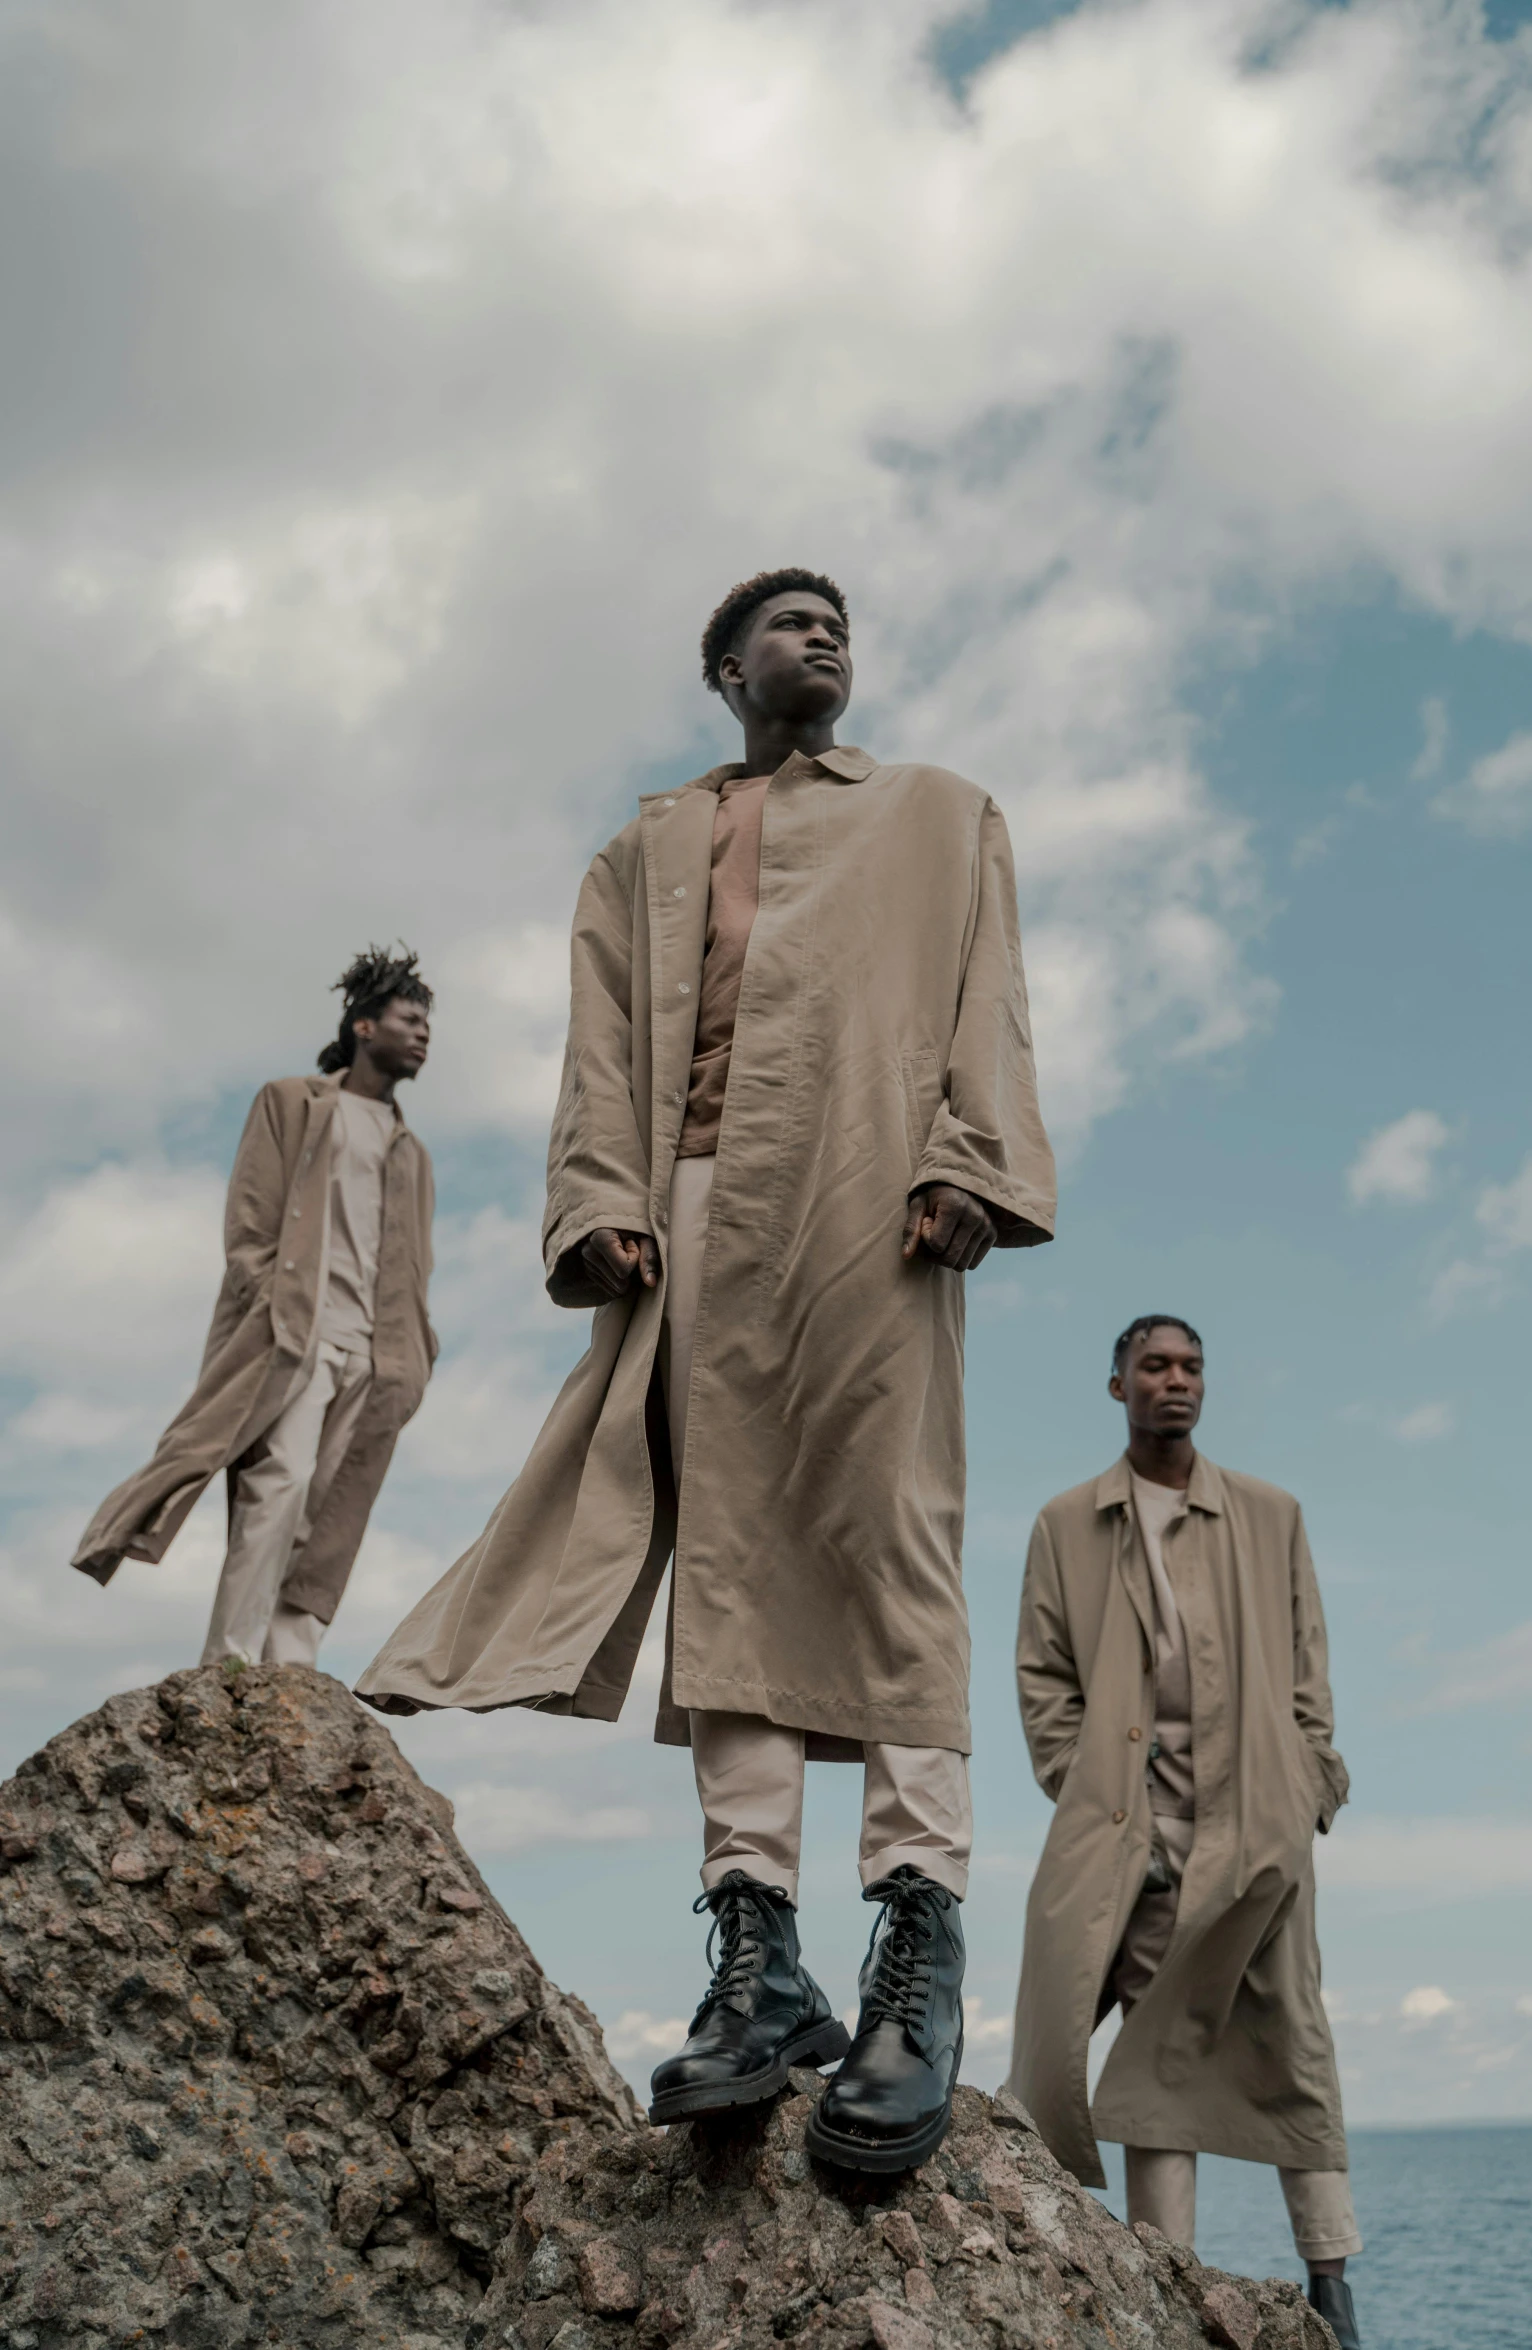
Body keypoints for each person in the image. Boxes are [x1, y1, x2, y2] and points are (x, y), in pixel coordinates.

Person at [358, 568, 1056, 2172]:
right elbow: (596, 1046)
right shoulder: (644, 847)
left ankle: (918, 1953)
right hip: (687, 1213)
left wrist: (973, 1163)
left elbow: (987, 1003)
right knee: (726, 1569)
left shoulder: (942, 813)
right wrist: (600, 1201)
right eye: (789, 619)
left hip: (876, 1193)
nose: (825, 635)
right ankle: (758, 1957)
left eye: (840, 622)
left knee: (895, 1544)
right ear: (722, 664)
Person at [1007, 1317, 1363, 2350]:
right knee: (1153, 2035)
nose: (1175, 1382)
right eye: (1155, 1366)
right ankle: (1168, 2280)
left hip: (1259, 1827)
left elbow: (1308, 1669)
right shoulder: (1065, 1524)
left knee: (1294, 2035)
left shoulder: (1269, 1514)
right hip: (1133, 1831)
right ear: (1115, 1381)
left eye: (1191, 1367)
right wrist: (1080, 1784)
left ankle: (1331, 2282)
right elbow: (1042, 1678)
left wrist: (1310, 1786)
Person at [73, 947, 439, 1672]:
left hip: (377, 1353)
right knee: (283, 1483)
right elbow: (249, 1222)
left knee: (330, 1513)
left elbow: (415, 1262)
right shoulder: (291, 1103)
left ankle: (290, 1665)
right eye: (410, 1019)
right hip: (296, 1334)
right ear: (364, 1025)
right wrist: (269, 1302)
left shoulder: (412, 1151)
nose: (424, 1034)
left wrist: (417, 1350)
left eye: (428, 1023)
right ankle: (231, 1660)